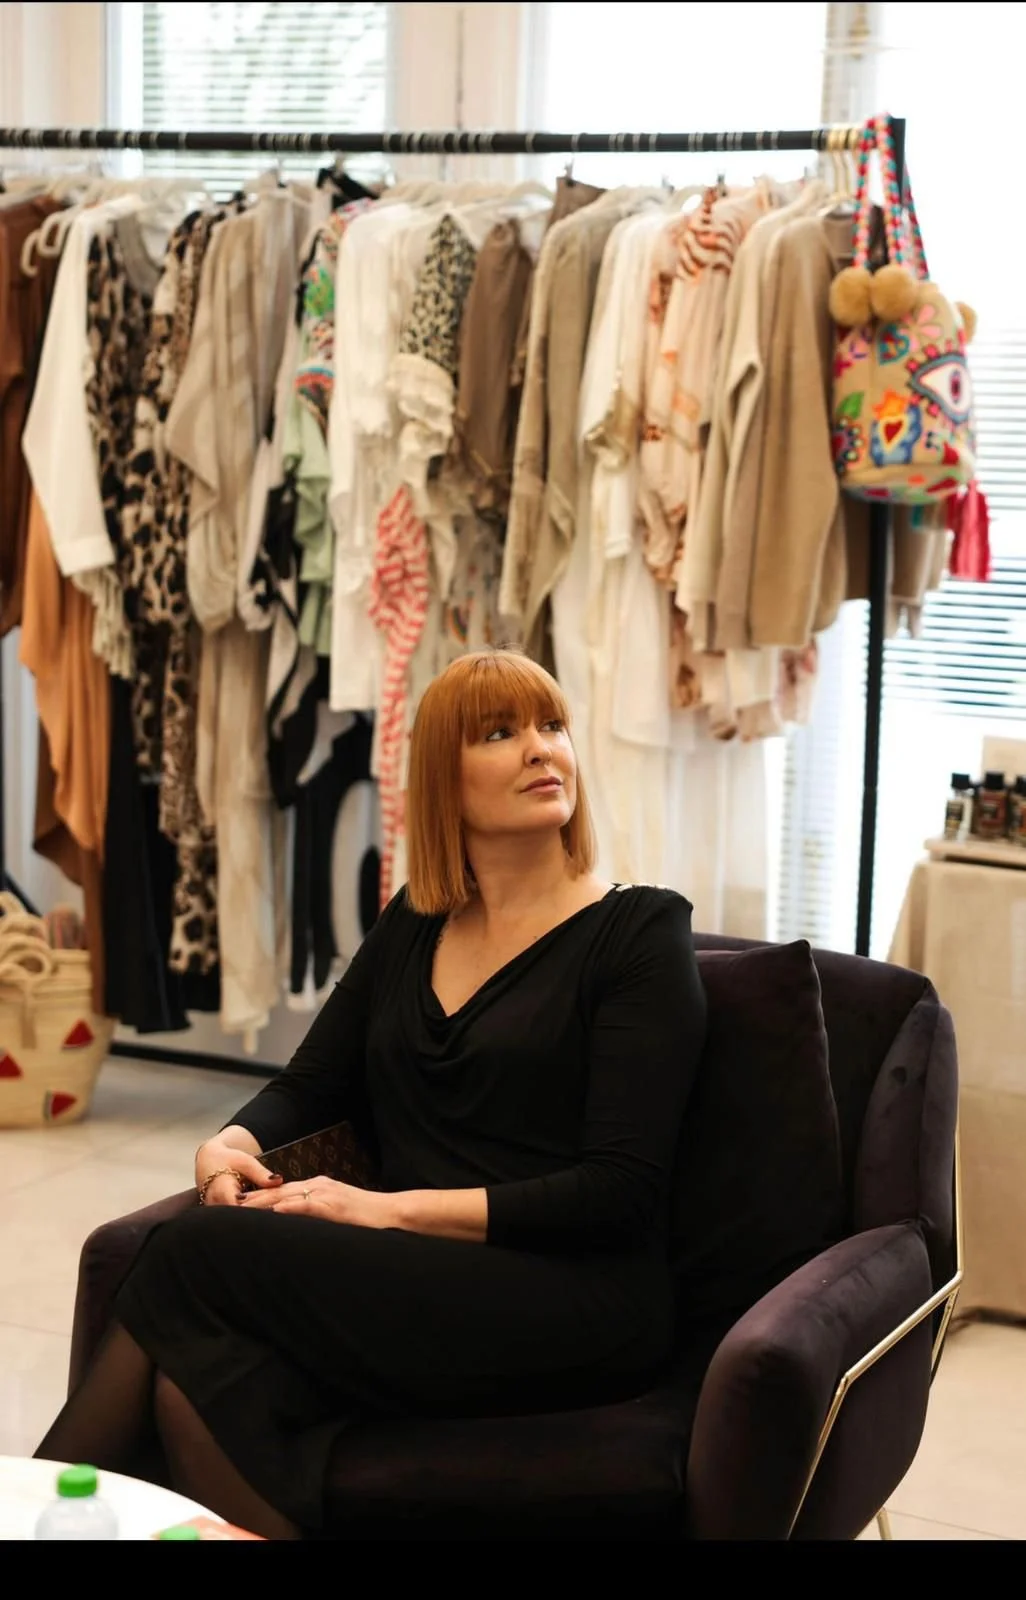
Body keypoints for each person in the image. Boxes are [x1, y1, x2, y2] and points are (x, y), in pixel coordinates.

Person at [34, 648, 708, 1540]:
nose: (543, 751)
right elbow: (314, 1083)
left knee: (192, 1253)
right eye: (501, 733)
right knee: (193, 1376)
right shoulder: (415, 922)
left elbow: (620, 1193)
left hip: (575, 1295)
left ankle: (35, 1511)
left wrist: (389, 1213)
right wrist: (231, 1142)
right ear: (442, 779)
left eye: (552, 726)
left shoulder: (639, 934)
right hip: (416, 1281)